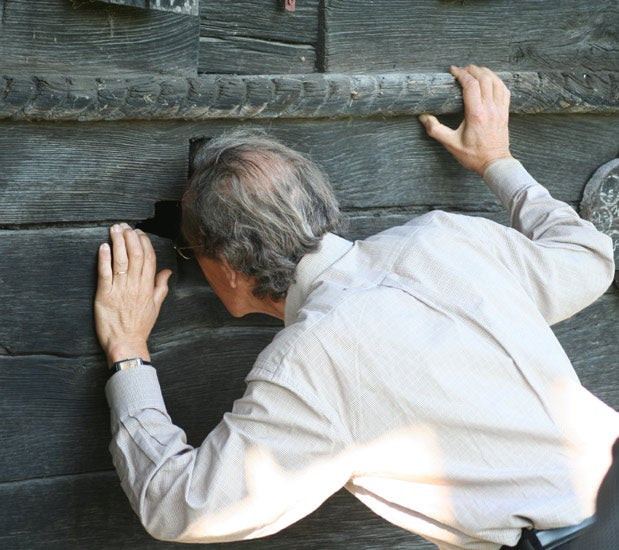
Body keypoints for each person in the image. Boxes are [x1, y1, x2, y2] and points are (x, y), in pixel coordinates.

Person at [94, 66, 618, 549]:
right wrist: (497, 162)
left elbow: (181, 507)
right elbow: (589, 259)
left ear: (227, 266)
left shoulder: (313, 359)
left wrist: (128, 350)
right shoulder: (447, 237)